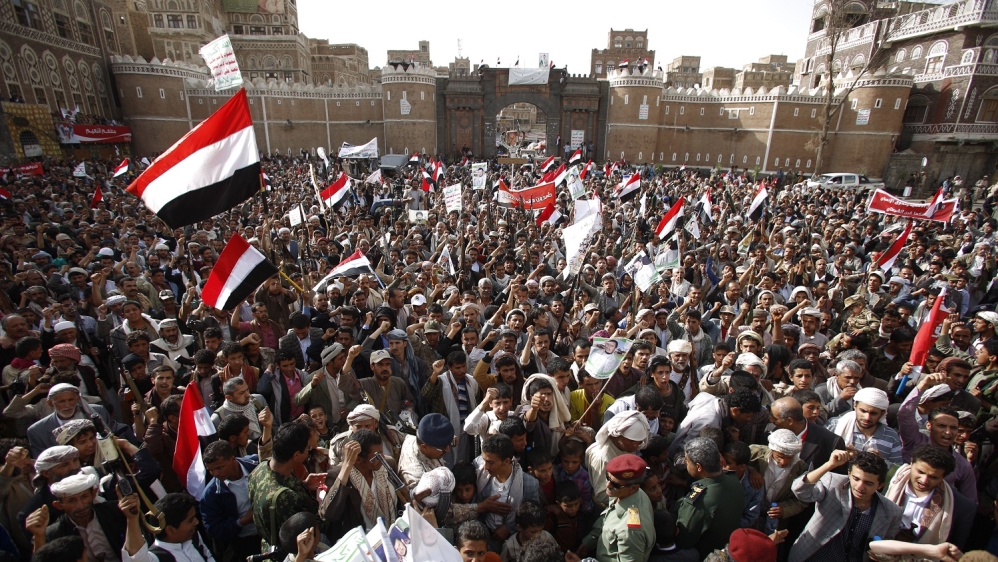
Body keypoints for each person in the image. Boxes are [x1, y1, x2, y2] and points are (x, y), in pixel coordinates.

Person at [789, 450, 903, 562]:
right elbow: (799, 490)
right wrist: (829, 465)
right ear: (849, 473)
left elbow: (886, 546)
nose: (860, 487)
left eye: (868, 483)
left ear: (880, 485)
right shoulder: (832, 482)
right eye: (856, 479)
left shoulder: (892, 512)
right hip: (812, 556)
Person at [247, 423, 321, 546]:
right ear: (296, 455)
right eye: (307, 448)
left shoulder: (260, 469)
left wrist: (304, 485)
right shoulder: (285, 496)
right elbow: (309, 531)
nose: (308, 452)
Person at [673, 437, 745, 559]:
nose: (685, 463)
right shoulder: (733, 480)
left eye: (687, 461)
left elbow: (684, 540)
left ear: (699, 467)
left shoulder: (700, 502)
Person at [577, 453, 655, 562]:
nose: (608, 485)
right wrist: (588, 542)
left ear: (633, 488)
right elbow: (608, 517)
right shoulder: (623, 493)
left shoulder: (630, 531)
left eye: (616, 484)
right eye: (607, 478)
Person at [199, 441, 261, 562]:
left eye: (219, 468)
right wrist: (242, 522)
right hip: (247, 543)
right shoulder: (210, 495)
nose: (215, 474)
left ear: (232, 459)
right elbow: (214, 529)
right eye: (210, 470)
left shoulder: (257, 464)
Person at [119, 492, 216, 562]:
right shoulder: (158, 557)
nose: (196, 522)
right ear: (170, 530)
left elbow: (208, 557)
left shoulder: (193, 536)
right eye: (190, 520)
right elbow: (137, 557)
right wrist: (132, 519)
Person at [586, 410, 650, 509]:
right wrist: (630, 493)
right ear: (615, 436)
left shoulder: (628, 447)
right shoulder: (603, 457)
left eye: (638, 442)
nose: (636, 446)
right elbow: (601, 495)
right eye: (631, 441)